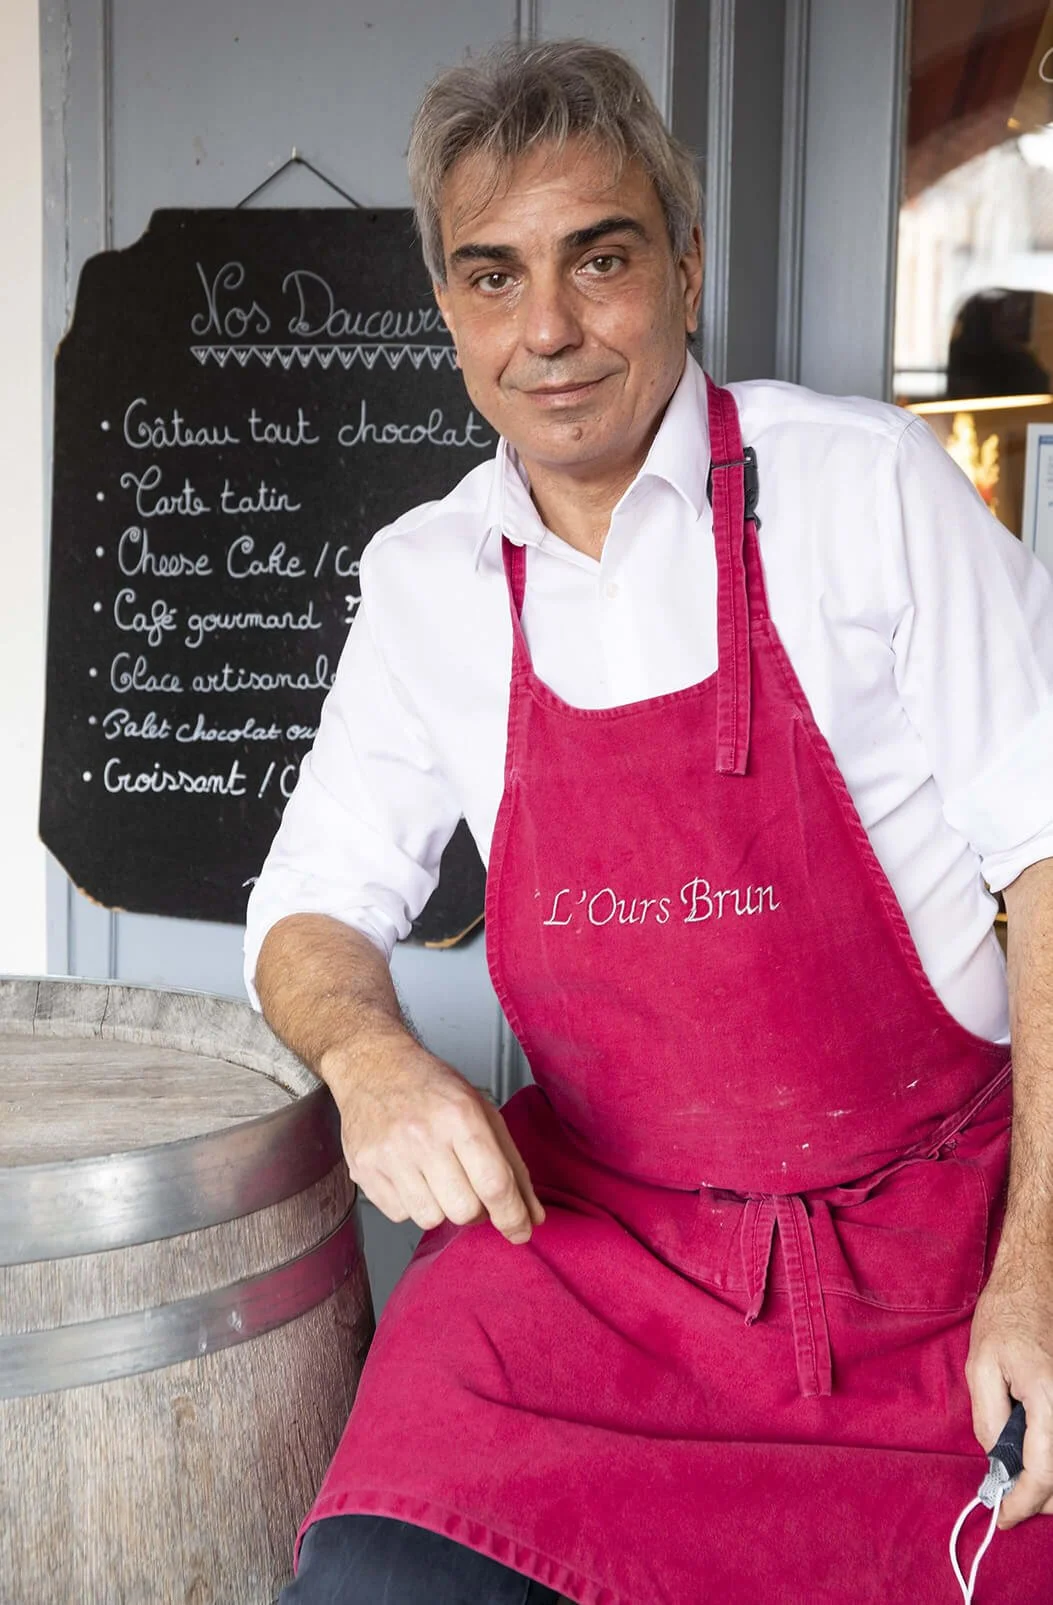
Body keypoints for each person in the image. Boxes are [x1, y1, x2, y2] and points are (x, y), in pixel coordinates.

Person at [245, 38, 1053, 1605]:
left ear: (685, 266)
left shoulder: (865, 492)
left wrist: (1047, 1273)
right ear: (449, 316)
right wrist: (369, 1056)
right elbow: (309, 917)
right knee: (377, 1576)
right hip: (601, 1257)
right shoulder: (424, 584)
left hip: (933, 1254)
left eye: (596, 259)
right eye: (492, 278)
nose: (547, 329)